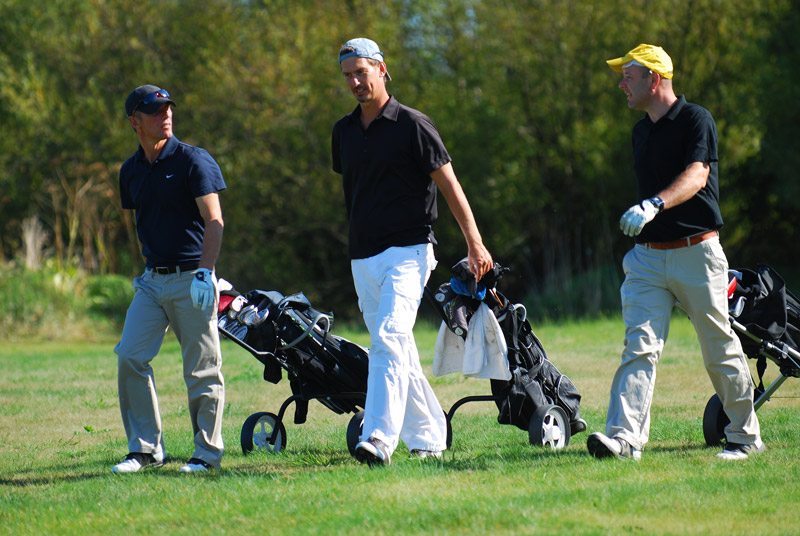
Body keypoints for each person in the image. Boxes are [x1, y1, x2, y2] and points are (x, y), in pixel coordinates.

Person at [587, 44, 763, 461]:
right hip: (647, 259)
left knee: (718, 347)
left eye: (628, 76)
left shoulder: (696, 119)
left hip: (696, 253)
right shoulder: (640, 131)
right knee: (639, 347)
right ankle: (625, 440)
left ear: (654, 79)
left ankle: (745, 436)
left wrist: (654, 204)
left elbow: (698, 174)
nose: (621, 85)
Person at [332, 38, 493, 466]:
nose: (355, 82)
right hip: (362, 255)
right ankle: (429, 437)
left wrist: (475, 243)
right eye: (348, 75)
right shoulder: (343, 131)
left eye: (361, 72)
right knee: (396, 347)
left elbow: (450, 186)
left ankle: (378, 439)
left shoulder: (413, 124)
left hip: (409, 251)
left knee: (387, 338)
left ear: (382, 70)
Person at [112, 85, 226, 473]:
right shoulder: (130, 171)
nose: (166, 115)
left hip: (193, 277)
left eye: (168, 109)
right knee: (130, 356)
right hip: (151, 282)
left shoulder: (193, 160)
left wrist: (205, 272)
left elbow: (214, 220)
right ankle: (145, 449)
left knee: (201, 368)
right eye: (155, 111)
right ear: (135, 122)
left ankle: (206, 454)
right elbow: (146, 224)